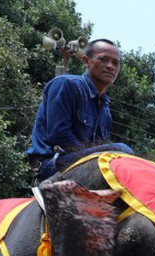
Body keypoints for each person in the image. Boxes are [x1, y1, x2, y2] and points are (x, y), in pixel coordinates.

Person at [26, 38, 133, 182]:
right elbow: (59, 137)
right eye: (103, 59)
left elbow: (100, 145)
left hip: (84, 163)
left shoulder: (105, 108)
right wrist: (96, 157)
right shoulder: (66, 85)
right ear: (86, 61)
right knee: (121, 151)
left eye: (115, 63)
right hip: (51, 165)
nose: (110, 66)